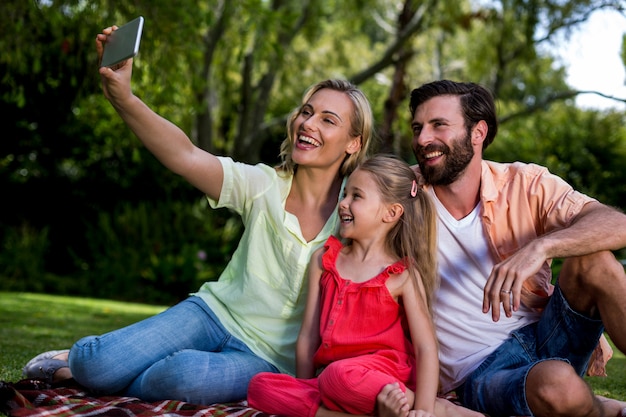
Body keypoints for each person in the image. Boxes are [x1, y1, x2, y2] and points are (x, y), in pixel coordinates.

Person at [21, 25, 374, 405]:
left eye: (327, 119)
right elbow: (186, 155)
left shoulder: (355, 214)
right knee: (97, 364)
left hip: (266, 358)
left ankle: (88, 379)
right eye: (307, 112)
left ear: (353, 143)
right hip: (210, 314)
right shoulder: (263, 185)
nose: (308, 124)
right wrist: (123, 97)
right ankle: (77, 368)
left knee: (184, 377)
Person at [402, 79, 626, 417]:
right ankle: (604, 409)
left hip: (544, 334)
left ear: (478, 132)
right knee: (557, 385)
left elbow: (616, 224)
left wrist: (540, 247)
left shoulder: (524, 183)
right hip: (479, 371)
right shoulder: (402, 195)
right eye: (418, 127)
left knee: (595, 261)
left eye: (438, 125)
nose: (422, 139)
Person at [247, 154, 441, 417]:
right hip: (331, 384)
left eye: (356, 196)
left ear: (391, 212)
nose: (343, 203)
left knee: (338, 376)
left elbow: (425, 348)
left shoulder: (402, 276)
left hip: (378, 380)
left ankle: (419, 407)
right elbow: (307, 337)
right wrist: (305, 388)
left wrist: (424, 410)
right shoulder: (324, 260)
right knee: (260, 387)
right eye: (345, 193)